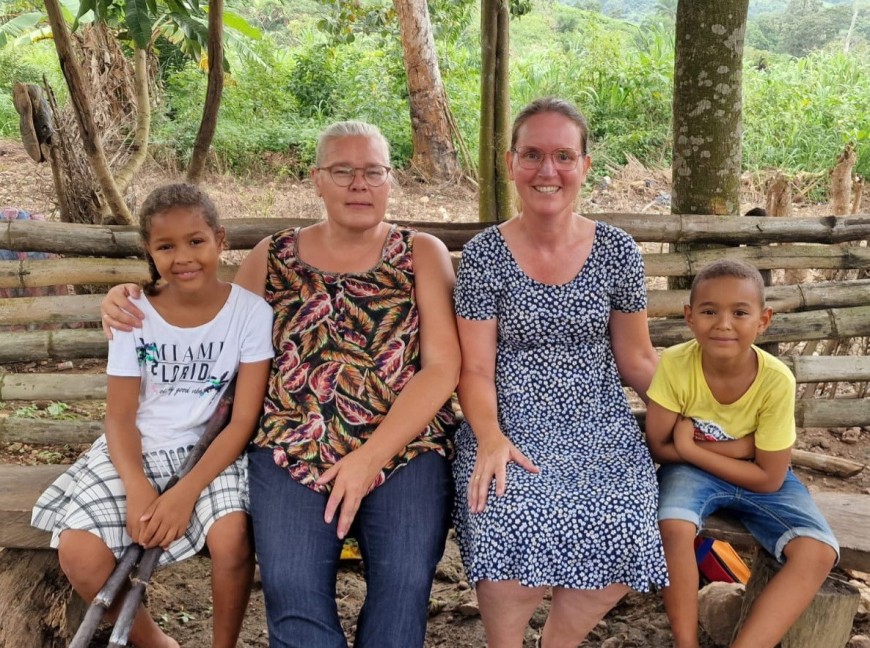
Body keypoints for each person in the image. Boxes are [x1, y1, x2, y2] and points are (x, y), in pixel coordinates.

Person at [99, 121, 461, 648]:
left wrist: (369, 458)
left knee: (404, 583)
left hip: (404, 448)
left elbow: (441, 369)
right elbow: (213, 319)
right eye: (343, 171)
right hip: (290, 445)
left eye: (373, 172)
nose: (359, 184)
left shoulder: (420, 252)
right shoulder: (274, 256)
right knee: (292, 589)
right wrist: (128, 297)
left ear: (390, 180)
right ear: (317, 180)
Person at [452, 97, 668, 648]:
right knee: (505, 514)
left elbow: (638, 359)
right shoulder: (483, 256)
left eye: (563, 156)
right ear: (510, 162)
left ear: (585, 165)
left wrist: (701, 413)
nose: (547, 170)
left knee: (626, 522)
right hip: (509, 425)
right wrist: (490, 437)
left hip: (600, 427)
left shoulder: (617, 251)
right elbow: (473, 369)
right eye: (532, 155)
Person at [32, 183, 274, 648]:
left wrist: (186, 492)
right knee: (78, 551)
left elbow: (243, 421)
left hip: (210, 450)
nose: (183, 257)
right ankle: (157, 642)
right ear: (149, 249)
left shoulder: (250, 314)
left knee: (231, 537)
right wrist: (138, 485)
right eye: (166, 246)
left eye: (196, 241)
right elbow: (120, 417)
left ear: (220, 239)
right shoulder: (133, 314)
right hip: (135, 449)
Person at [645, 259, 839, 648]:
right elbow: (659, 446)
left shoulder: (776, 380)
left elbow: (769, 478)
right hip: (689, 472)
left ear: (763, 320)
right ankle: (686, 643)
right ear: (689, 317)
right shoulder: (677, 365)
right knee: (673, 525)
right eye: (709, 311)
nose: (723, 324)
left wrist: (691, 448)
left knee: (818, 551)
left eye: (739, 313)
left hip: (748, 472)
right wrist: (737, 447)